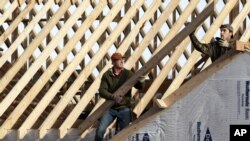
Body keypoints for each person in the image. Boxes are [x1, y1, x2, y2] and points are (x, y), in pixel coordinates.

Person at [95, 52, 145, 141]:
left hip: (124, 108)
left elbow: (139, 87)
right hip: (110, 108)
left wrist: (141, 81)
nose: (122, 61)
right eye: (119, 60)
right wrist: (113, 97)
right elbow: (102, 91)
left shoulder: (128, 74)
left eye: (123, 59)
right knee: (100, 130)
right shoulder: (107, 75)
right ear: (113, 62)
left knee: (123, 133)